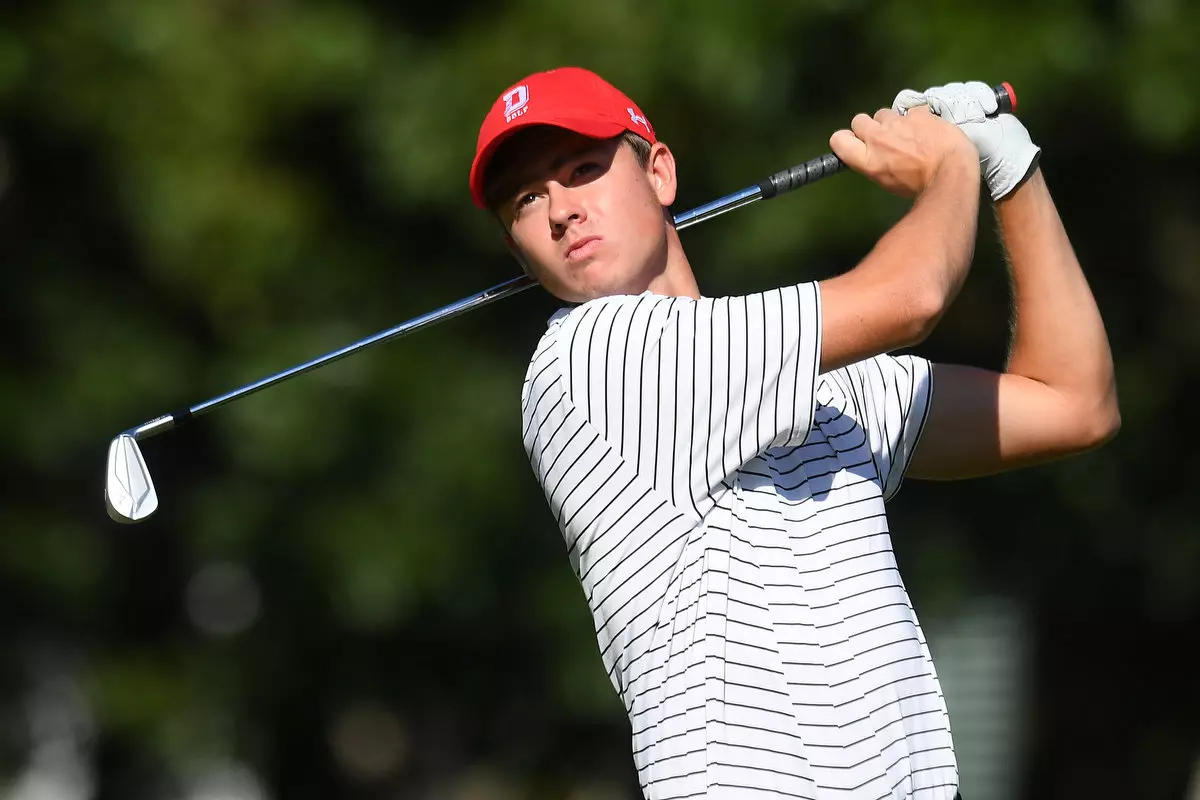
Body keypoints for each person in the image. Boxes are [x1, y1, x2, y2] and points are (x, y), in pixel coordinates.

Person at [467, 66, 1118, 799]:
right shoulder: (591, 358)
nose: (560, 211)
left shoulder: (819, 385)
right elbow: (913, 296)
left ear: (660, 172)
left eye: (582, 170)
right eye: (527, 200)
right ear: (518, 247)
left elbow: (1073, 403)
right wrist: (950, 167)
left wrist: (1013, 171)